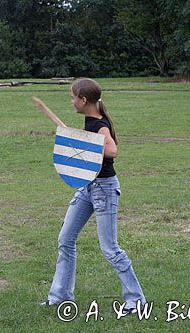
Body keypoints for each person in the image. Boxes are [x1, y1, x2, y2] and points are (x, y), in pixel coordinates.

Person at [41, 78, 145, 313]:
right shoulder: (92, 120)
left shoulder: (99, 125)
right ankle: (60, 297)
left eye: (72, 97)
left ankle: (136, 301)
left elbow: (112, 149)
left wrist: (87, 144)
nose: (71, 102)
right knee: (65, 240)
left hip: (104, 189)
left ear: (83, 100)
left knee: (110, 248)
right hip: (88, 187)